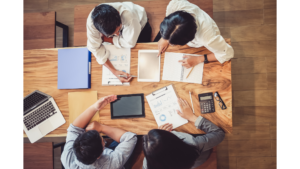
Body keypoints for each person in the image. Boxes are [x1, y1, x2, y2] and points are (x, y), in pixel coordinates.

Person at [142, 98, 225, 169]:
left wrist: (159, 139)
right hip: (196, 158)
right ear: (172, 139)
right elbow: (219, 134)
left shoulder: (147, 164)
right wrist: (192, 117)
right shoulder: (193, 143)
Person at [61, 95, 137, 169]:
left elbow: (74, 129)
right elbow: (130, 138)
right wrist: (101, 127)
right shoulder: (111, 164)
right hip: (114, 160)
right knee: (135, 133)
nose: (104, 141)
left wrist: (94, 107)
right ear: (99, 155)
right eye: (103, 141)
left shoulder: (67, 158)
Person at [154, 0, 234, 68]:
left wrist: (198, 59)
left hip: (206, 36)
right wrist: (165, 37)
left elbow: (227, 54)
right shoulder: (175, 4)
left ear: (189, 39)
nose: (170, 43)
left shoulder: (208, 39)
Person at [87, 2, 152, 83]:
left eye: (118, 30)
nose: (117, 35)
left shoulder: (129, 16)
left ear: (118, 14)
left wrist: (108, 39)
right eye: (112, 34)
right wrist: (114, 71)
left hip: (139, 26)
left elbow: (130, 43)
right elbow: (94, 48)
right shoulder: (92, 25)